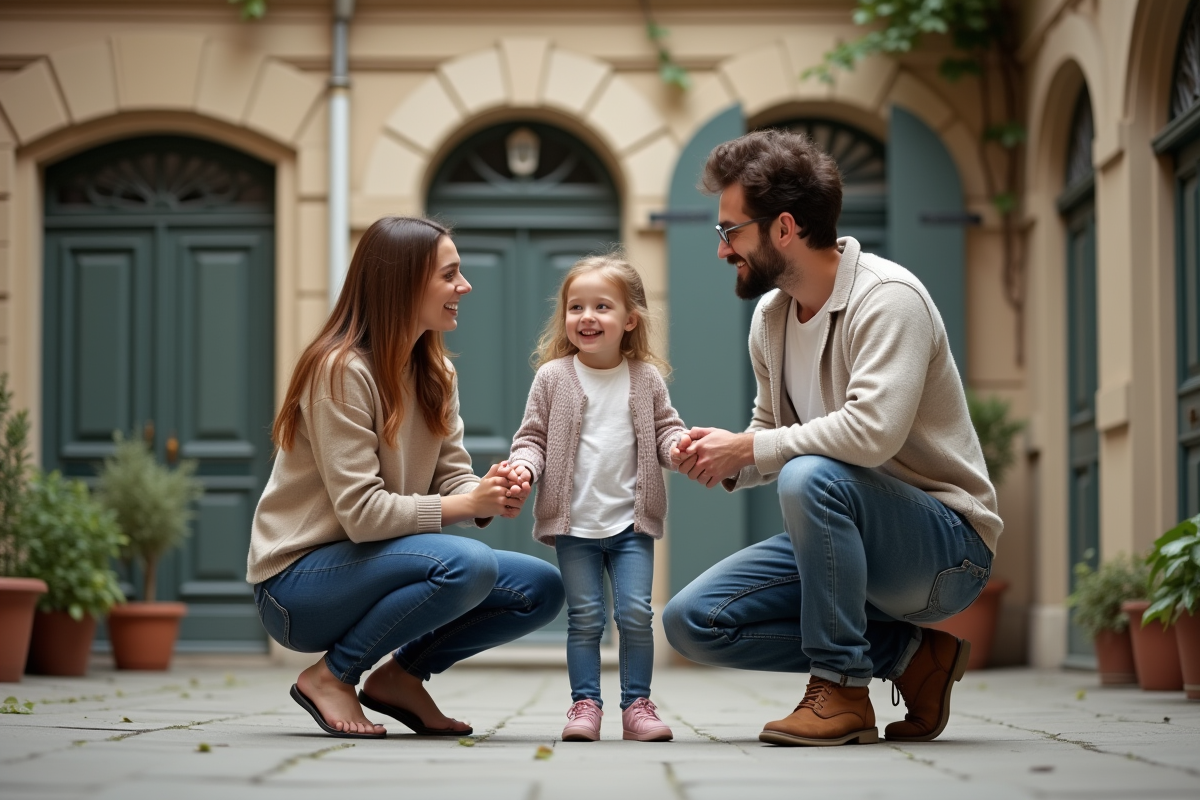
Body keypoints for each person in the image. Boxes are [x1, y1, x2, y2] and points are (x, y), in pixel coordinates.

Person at [663, 130, 1003, 747]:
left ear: (784, 227)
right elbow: (771, 432)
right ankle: (911, 658)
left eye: (730, 231)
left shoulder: (888, 298)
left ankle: (842, 689)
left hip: (946, 549)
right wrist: (728, 458)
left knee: (810, 474)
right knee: (692, 622)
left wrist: (754, 450)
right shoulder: (771, 318)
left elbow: (870, 434)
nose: (722, 250)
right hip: (841, 536)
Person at [247, 216, 563, 739]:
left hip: (372, 565)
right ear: (403, 282)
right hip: (296, 587)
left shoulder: (435, 372)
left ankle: (401, 677)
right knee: (469, 564)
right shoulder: (340, 369)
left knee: (540, 587)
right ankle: (331, 676)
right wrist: (465, 506)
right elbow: (363, 514)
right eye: (450, 275)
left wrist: (487, 494)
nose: (465, 286)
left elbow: (452, 478)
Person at [507, 254, 686, 743]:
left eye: (602, 307)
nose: (587, 317)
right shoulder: (553, 378)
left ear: (630, 320)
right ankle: (584, 705)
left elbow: (666, 431)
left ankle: (637, 706)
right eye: (575, 307)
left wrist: (679, 447)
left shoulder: (645, 378)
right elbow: (533, 438)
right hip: (574, 526)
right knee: (584, 618)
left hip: (631, 524)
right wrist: (524, 465)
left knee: (634, 614)